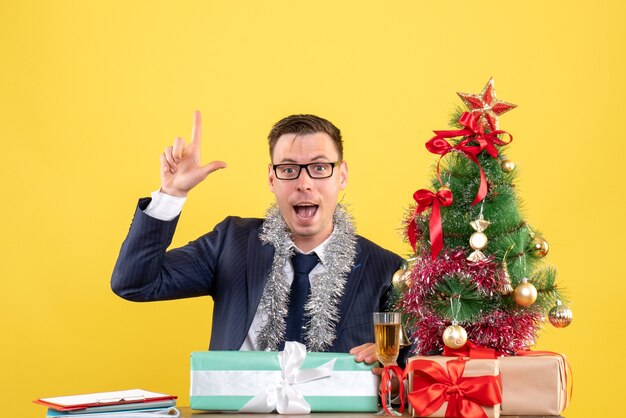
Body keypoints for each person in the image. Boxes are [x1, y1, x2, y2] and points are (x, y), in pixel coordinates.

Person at [111, 111, 403, 365]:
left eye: (319, 168)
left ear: (342, 176)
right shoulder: (231, 243)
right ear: (271, 178)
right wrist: (172, 194)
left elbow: (420, 360)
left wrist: (393, 360)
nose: (304, 184)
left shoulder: (388, 271)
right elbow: (134, 283)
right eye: (288, 169)